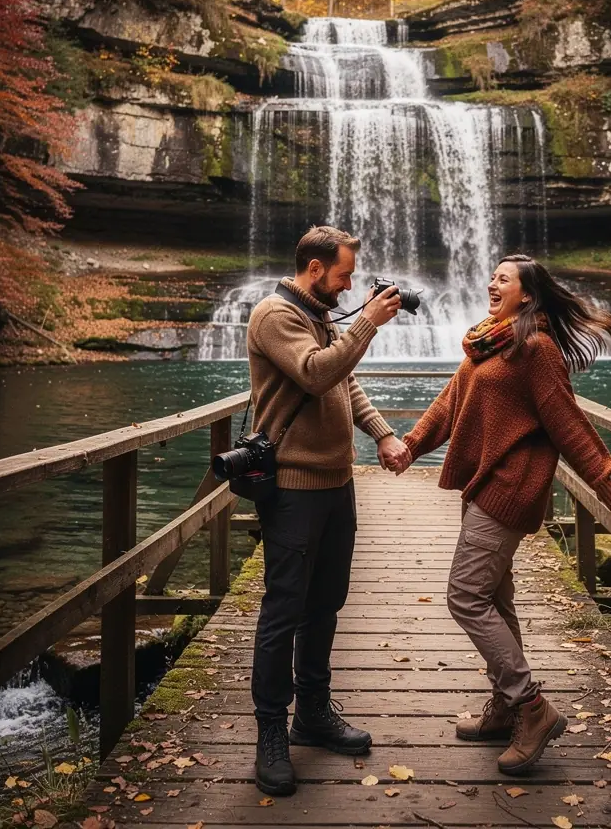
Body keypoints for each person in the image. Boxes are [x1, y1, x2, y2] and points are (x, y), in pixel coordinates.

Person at [396, 254, 611, 775]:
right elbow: (449, 402)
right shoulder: (486, 341)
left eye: (503, 279)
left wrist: (602, 478)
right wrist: (411, 446)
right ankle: (504, 708)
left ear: (527, 294)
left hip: (512, 486)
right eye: (492, 277)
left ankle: (532, 707)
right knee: (495, 599)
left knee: (465, 594)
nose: (491, 283)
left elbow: (566, 419)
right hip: (485, 484)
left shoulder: (536, 348)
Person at [245, 225, 412, 796]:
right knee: (284, 610)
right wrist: (368, 322)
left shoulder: (317, 314)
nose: (349, 285)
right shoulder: (275, 315)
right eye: (343, 274)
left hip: (336, 482)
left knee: (325, 604)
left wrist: (383, 434)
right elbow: (317, 373)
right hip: (292, 486)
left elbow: (344, 382)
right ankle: (271, 732)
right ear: (315, 268)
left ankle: (311, 712)